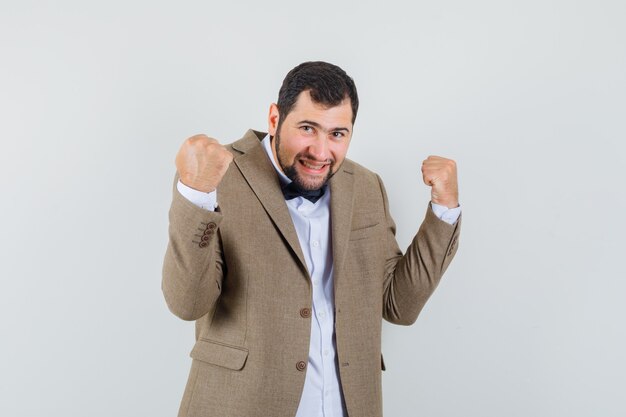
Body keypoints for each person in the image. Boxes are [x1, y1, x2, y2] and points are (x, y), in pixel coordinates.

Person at [162, 61, 461, 417]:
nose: (321, 152)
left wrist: (444, 210)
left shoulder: (366, 186)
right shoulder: (216, 173)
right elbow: (187, 303)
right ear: (274, 119)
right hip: (242, 404)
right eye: (307, 128)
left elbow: (400, 304)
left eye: (337, 134)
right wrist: (196, 194)